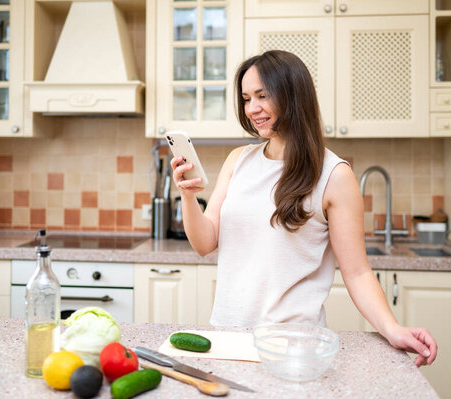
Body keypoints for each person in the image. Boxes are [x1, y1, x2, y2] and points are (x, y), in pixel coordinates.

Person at [170, 50, 437, 367]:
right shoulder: (238, 161)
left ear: (292, 95)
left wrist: (392, 329)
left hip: (293, 347)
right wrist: (188, 196)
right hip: (228, 339)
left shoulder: (334, 175)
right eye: (245, 99)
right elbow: (205, 243)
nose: (252, 108)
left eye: (262, 96)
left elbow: (357, 272)